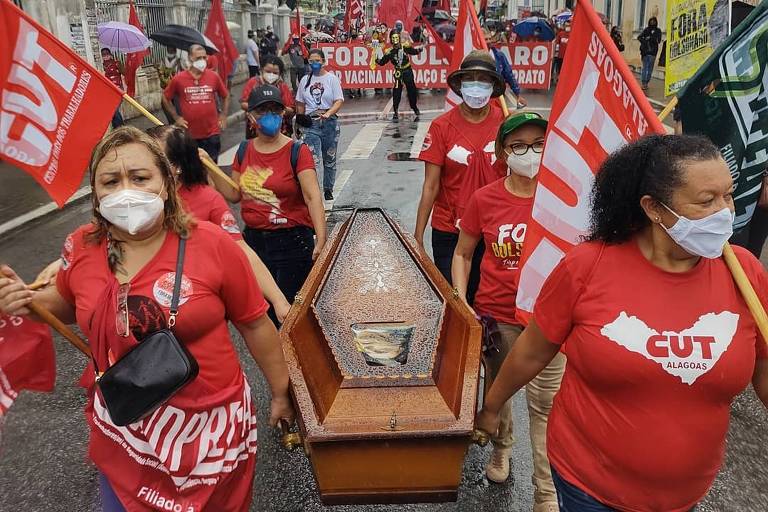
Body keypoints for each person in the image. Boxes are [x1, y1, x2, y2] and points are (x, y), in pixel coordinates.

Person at [0, 126, 295, 511]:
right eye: (111, 181)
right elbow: (70, 304)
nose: (126, 190)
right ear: (96, 191)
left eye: (140, 177)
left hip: (209, 433)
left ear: (167, 183)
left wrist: (279, 393)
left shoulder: (213, 244)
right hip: (127, 430)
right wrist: (27, 299)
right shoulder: (81, 245)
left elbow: (255, 323)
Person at [476, 134, 768, 511]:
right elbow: (532, 352)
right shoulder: (586, 267)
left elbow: (762, 364)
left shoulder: (744, 272)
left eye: (728, 195)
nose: (724, 212)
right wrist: (491, 408)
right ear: (654, 208)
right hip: (589, 486)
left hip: (687, 494)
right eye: (706, 201)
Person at [453, 113, 562, 512]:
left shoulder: (563, 200)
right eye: (519, 146)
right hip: (497, 317)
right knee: (499, 391)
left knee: (547, 405)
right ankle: (502, 449)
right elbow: (463, 253)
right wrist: (461, 299)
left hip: (550, 322)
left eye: (538, 144)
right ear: (503, 152)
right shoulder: (485, 199)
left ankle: (546, 491)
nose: (529, 153)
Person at [147, 124, 293, 322]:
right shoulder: (138, 200)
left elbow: (240, 250)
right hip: (147, 308)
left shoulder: (208, 200)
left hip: (194, 310)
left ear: (177, 166)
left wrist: (278, 300)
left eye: (156, 157)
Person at [213, 85, 327, 324]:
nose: (270, 116)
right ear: (251, 117)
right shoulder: (244, 150)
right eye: (262, 111)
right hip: (254, 244)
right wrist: (208, 167)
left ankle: (293, 361)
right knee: (262, 313)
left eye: (275, 110)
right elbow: (235, 194)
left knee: (291, 315)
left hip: (292, 243)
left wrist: (321, 239)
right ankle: (277, 360)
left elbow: (312, 196)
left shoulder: (297, 150)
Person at [415, 50, 508, 304]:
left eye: (483, 80)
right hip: (449, 230)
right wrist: (418, 237)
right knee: (455, 300)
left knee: (486, 300)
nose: (476, 86)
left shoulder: (507, 125)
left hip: (492, 230)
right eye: (471, 79)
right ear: (460, 84)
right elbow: (431, 185)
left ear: (493, 86)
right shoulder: (441, 127)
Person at [162, 44, 229, 163]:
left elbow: (225, 95)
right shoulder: (179, 79)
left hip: (211, 133)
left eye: (204, 57)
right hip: (190, 135)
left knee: (212, 166)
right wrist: (176, 117)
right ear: (190, 58)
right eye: (198, 58)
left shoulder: (213, 77)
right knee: (193, 168)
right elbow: (165, 98)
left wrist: (223, 115)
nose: (202, 61)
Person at [295, 49, 344, 201]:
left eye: (317, 61)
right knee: (311, 161)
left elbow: (339, 100)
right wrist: (299, 121)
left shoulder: (331, 79)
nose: (314, 64)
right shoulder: (304, 80)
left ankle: (328, 190)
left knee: (329, 159)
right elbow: (300, 103)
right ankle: (313, 193)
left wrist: (329, 113)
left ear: (323, 61)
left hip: (329, 123)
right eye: (311, 61)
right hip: (311, 124)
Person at [240, 55, 296, 138]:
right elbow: (243, 103)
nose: (271, 75)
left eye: (275, 73)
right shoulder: (253, 83)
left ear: (280, 73)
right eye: (268, 71)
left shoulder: (282, 87)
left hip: (278, 129)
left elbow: (291, 109)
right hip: (256, 128)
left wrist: (277, 109)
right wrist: (259, 108)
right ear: (261, 70)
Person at [376, 32, 422, 120]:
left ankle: (414, 107)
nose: (395, 41)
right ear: (391, 40)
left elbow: (413, 51)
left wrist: (419, 50)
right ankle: (395, 111)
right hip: (398, 72)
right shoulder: (389, 52)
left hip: (407, 70)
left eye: (396, 38)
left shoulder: (405, 46)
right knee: (397, 91)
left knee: (412, 90)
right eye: (393, 39)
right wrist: (376, 60)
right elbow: (382, 62)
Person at [486, 32, 527, 108]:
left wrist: (517, 94)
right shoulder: (474, 56)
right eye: (485, 39)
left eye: (489, 38)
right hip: (481, 97)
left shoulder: (499, 55)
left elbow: (508, 74)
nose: (488, 41)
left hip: (497, 95)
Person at [100, 48, 125, 129]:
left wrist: (119, 65)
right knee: (113, 112)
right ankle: (118, 129)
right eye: (103, 54)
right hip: (108, 92)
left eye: (107, 54)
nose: (105, 56)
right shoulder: (102, 66)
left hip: (118, 91)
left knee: (114, 110)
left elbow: (125, 73)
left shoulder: (117, 63)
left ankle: (121, 128)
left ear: (110, 54)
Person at [638, 17, 662, 90]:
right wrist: (645, 41)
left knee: (650, 68)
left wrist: (651, 38)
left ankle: (646, 82)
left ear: (656, 22)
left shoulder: (658, 31)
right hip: (645, 52)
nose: (652, 23)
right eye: (651, 21)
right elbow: (639, 37)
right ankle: (644, 83)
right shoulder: (646, 30)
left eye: (653, 22)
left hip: (653, 52)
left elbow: (659, 40)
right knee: (645, 67)